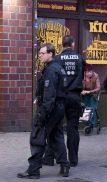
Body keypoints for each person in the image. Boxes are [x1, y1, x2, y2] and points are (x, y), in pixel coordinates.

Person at [17, 43, 70, 179]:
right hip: (58, 107)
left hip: (49, 108)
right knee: (56, 136)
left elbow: (49, 95)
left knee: (37, 137)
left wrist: (42, 114)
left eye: (42, 53)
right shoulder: (58, 67)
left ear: (50, 53)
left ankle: (33, 170)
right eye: (39, 53)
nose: (39, 55)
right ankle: (64, 166)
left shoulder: (52, 70)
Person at [43, 35, 84, 167]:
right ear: (72, 44)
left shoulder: (58, 59)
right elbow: (82, 76)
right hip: (75, 96)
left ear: (62, 45)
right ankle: (73, 159)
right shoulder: (80, 58)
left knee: (55, 127)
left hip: (60, 97)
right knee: (73, 128)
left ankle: (50, 157)